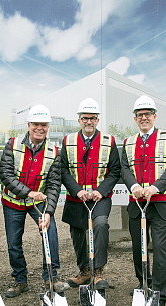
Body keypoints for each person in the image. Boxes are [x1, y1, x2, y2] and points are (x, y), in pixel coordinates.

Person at [120, 95, 166, 306]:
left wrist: (156, 187)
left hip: (161, 202)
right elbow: (125, 169)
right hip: (137, 204)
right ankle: (143, 282)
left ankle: (160, 293)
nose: (144, 118)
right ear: (135, 119)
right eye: (139, 115)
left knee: (160, 248)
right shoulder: (128, 142)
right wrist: (134, 185)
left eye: (147, 114)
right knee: (138, 246)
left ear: (155, 116)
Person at [0, 104, 68, 298]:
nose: (40, 128)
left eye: (44, 125)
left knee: (50, 234)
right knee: (14, 242)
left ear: (48, 127)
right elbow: (5, 175)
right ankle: (20, 280)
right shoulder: (12, 145)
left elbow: (54, 184)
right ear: (28, 124)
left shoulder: (55, 151)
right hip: (13, 202)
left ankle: (51, 277)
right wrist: (29, 192)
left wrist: (48, 212)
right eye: (36, 124)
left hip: (38, 203)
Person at [60, 98, 121, 290]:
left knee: (101, 224)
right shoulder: (68, 141)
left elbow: (115, 170)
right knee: (77, 232)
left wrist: (100, 191)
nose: (89, 122)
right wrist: (77, 191)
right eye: (85, 118)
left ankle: (98, 271)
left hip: (99, 198)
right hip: (76, 197)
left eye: (93, 118)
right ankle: (85, 271)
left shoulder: (108, 141)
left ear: (97, 120)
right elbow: (63, 170)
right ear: (79, 119)